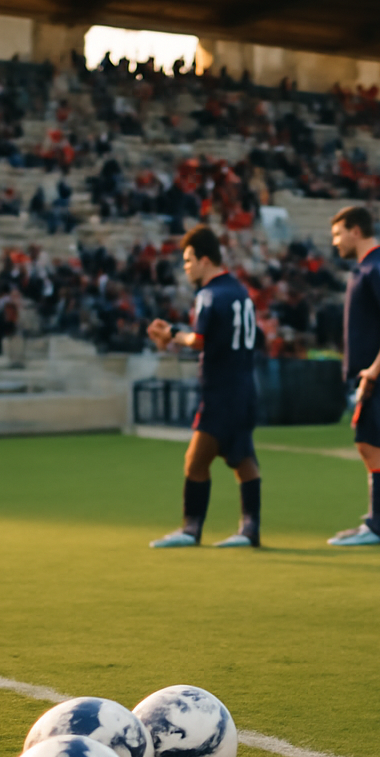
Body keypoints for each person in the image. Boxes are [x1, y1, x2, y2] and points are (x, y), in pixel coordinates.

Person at [146, 226, 263, 548]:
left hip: (220, 392)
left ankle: (190, 529)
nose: (185, 266)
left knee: (196, 462)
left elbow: (200, 340)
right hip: (245, 388)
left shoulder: (209, 294)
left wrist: (171, 333)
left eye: (188, 259)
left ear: (205, 259)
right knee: (243, 459)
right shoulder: (240, 290)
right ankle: (250, 529)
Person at [326, 205, 380, 547]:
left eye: (338, 233)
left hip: (376, 375)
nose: (335, 242)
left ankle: (376, 527)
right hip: (366, 377)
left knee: (371, 446)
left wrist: (373, 369)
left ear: (355, 231)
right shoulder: (363, 268)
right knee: (366, 444)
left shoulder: (377, 266)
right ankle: (372, 522)